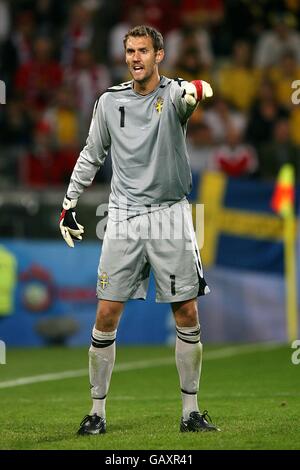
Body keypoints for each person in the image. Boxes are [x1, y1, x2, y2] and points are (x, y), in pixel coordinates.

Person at [59, 25, 220, 435]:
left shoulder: (173, 95)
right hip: (124, 216)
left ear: (159, 55)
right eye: (130, 51)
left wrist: (197, 90)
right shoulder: (110, 102)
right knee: (106, 312)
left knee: (186, 310)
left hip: (170, 215)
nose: (135, 58)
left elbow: (199, 90)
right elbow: (92, 153)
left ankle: (191, 413)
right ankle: (96, 413)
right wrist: (69, 203)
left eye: (143, 51)